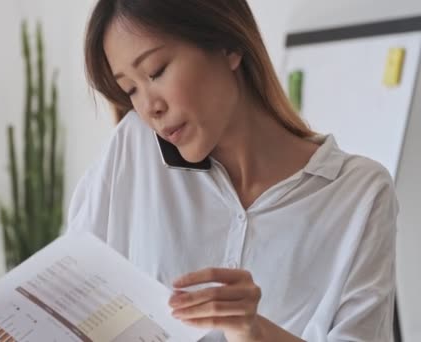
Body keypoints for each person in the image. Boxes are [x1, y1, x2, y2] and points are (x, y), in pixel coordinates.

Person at [66, 1, 398, 341]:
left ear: (229, 46)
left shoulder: (359, 194)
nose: (150, 107)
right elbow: (67, 296)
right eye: (130, 90)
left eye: (156, 71)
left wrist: (253, 331)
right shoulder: (135, 149)